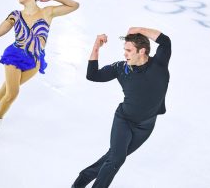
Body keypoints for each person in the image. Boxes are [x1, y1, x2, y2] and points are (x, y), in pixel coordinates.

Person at [0, 0, 79, 142]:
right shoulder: (15, 15)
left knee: (5, 90)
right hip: (15, 56)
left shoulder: (47, 12)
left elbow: (74, 5)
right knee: (12, 93)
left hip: (34, 61)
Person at [71, 27, 171, 188]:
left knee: (112, 158)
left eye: (129, 50)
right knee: (117, 160)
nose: (125, 54)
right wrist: (96, 46)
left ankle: (80, 181)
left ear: (142, 51)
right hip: (124, 120)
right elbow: (93, 75)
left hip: (146, 126)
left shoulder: (159, 63)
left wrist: (138, 29)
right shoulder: (121, 68)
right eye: (125, 50)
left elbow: (165, 41)